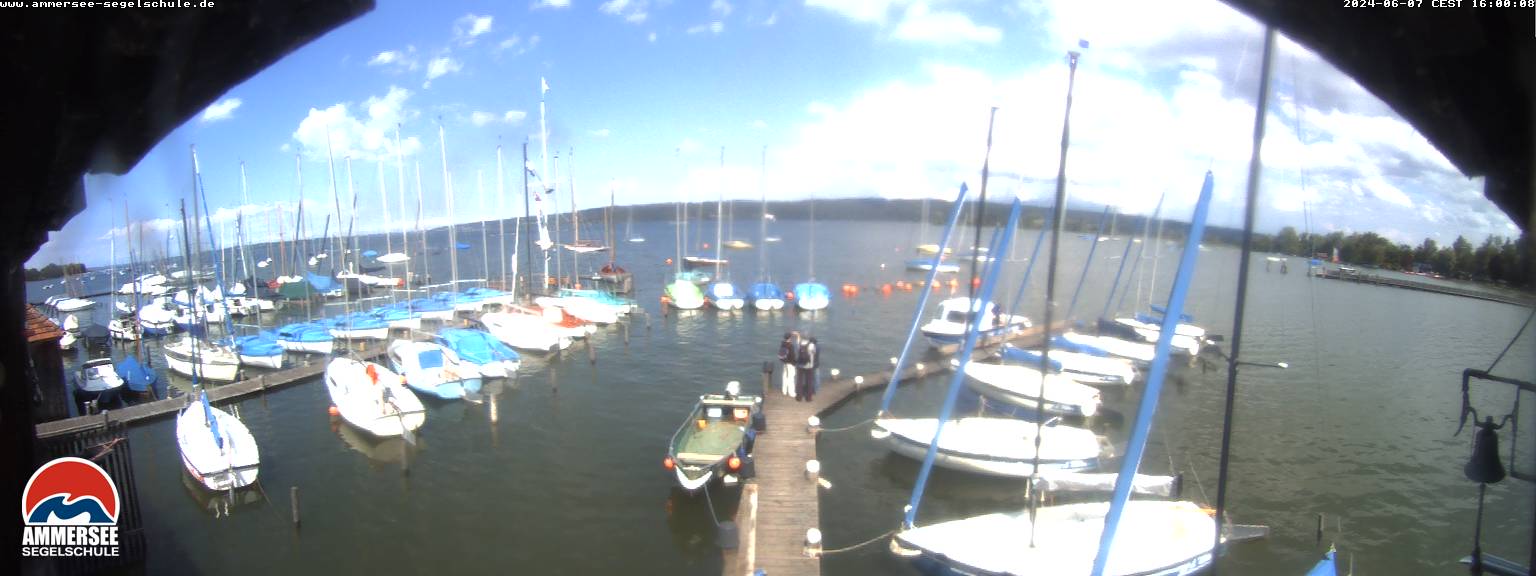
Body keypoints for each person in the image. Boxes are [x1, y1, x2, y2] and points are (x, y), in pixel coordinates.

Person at [778, 331, 800, 397]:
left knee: (784, 376)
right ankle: (791, 393)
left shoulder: (782, 344)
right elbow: (792, 356)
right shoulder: (790, 346)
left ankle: (784, 391)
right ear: (790, 338)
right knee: (791, 377)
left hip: (785, 363)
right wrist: (795, 363)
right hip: (790, 364)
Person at [797, 336, 819, 402]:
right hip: (809, 366)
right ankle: (808, 398)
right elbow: (814, 353)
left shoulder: (799, 343)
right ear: (808, 339)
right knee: (809, 381)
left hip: (800, 365)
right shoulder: (811, 345)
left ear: (802, 338)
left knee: (799, 381)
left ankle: (799, 397)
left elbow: (797, 352)